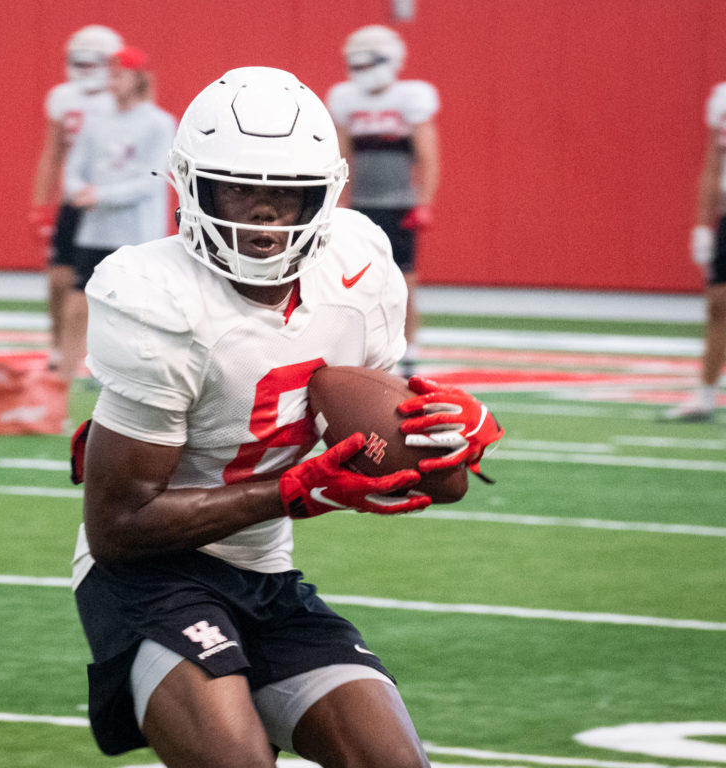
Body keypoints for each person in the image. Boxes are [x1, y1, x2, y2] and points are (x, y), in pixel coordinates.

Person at [69, 67, 502, 766]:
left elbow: (415, 474)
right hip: (145, 574)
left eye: (284, 192)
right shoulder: (153, 292)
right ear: (192, 184)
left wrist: (454, 443)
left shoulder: (357, 267)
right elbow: (117, 527)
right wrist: (294, 491)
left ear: (322, 194)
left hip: (265, 571)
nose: (262, 212)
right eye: (240, 186)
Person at [56, 46, 176, 387]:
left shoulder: (158, 122)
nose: (113, 81)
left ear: (137, 77)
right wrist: (78, 190)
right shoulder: (96, 123)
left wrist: (101, 195)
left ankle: (138, 384)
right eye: (110, 74)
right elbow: (74, 168)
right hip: (95, 232)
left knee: (137, 314)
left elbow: (152, 179)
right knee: (78, 305)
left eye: (119, 74)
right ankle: (62, 382)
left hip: (136, 234)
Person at [326, 25, 440, 378]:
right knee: (354, 281)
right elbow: (340, 154)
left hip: (398, 205)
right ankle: (361, 349)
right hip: (361, 205)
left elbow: (428, 154)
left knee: (404, 283)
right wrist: (337, 200)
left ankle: (410, 352)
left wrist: (424, 201)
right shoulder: (346, 100)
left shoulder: (410, 99)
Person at [29, 24, 123, 372]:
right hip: (74, 201)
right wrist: (40, 206)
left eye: (92, 62)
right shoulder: (62, 98)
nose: (85, 70)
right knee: (58, 279)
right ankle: (58, 347)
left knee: (98, 285)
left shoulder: (121, 99)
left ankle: (94, 352)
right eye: (79, 62)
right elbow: (52, 152)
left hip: (108, 203)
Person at [664, 82, 726, 421]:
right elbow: (714, 164)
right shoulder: (721, 98)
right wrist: (703, 225)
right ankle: (705, 394)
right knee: (719, 304)